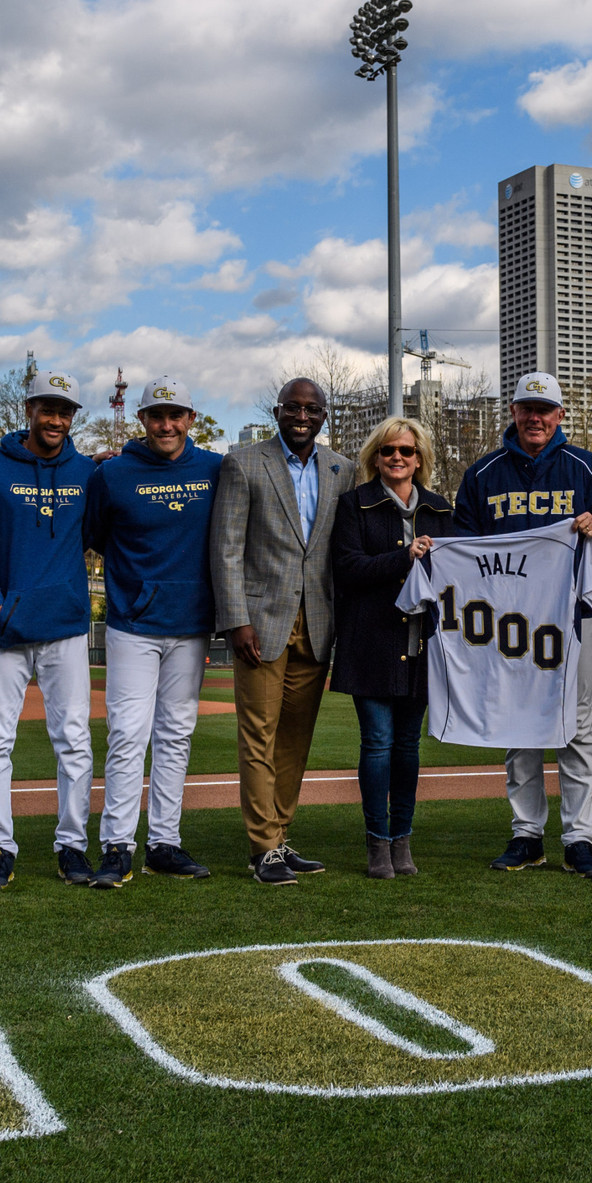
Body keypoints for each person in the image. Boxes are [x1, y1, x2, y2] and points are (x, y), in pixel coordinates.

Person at [452, 372, 592, 878]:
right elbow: (463, 544)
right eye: (527, 408)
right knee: (520, 726)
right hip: (510, 623)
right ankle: (526, 834)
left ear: (559, 415)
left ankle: (579, 837)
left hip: (575, 617)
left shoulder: (587, 468)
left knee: (576, 728)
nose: (535, 418)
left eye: (545, 409)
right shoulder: (483, 473)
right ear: (512, 412)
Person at [0, 369, 99, 890]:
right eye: (47, 408)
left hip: (64, 627)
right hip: (4, 630)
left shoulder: (87, 472)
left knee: (73, 741)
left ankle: (71, 845)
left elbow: (104, 530)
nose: (56, 419)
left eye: (65, 411)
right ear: (29, 411)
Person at [211, 376, 352, 885]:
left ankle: (280, 835)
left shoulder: (342, 469)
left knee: (295, 739)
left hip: (317, 625)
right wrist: (236, 619)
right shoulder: (244, 463)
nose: (302, 415)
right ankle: (262, 847)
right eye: (293, 407)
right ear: (277, 411)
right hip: (260, 625)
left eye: (312, 409)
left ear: (323, 416)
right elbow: (225, 549)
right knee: (258, 736)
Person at [85, 376, 222, 886]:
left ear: (191, 418)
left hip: (190, 625)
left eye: (176, 414)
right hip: (132, 624)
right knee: (127, 734)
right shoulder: (113, 474)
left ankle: (165, 842)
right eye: (156, 415)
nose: (166, 424)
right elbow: (96, 534)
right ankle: (118, 843)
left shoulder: (214, 468)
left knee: (175, 736)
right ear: (141, 420)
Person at [329, 416, 454, 879]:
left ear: (419, 458)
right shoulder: (354, 504)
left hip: (423, 646)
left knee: (407, 747)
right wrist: (404, 557)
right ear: (374, 457)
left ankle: (403, 840)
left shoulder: (441, 510)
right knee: (377, 744)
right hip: (371, 643)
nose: (397, 458)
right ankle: (377, 844)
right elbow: (347, 568)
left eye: (406, 451)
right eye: (387, 451)